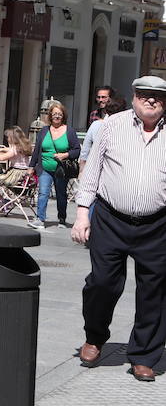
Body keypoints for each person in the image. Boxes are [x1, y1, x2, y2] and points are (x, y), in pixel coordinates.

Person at [72, 76, 166, 382]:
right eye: (145, 95)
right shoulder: (112, 125)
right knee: (101, 283)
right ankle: (95, 337)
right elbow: (92, 171)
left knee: (155, 291)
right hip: (111, 219)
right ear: (134, 96)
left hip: (157, 224)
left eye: (158, 96)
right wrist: (82, 214)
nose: (151, 100)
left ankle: (144, 356)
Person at [31, 100, 80, 229]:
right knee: (43, 193)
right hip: (45, 168)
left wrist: (65, 155)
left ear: (63, 116)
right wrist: (31, 166)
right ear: (50, 116)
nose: (57, 116)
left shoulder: (70, 131)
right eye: (54, 114)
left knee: (61, 194)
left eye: (59, 114)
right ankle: (40, 219)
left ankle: (62, 219)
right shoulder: (43, 131)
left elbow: (76, 150)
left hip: (61, 169)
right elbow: (37, 150)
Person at [0, 127, 33, 214]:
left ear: (12, 138)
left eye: (8, 137)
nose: (7, 139)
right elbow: (9, 151)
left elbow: (2, 158)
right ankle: (0, 200)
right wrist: (1, 149)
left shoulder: (14, 149)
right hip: (24, 175)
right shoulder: (22, 147)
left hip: (15, 175)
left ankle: (0, 200)